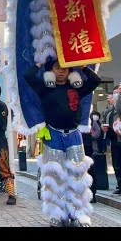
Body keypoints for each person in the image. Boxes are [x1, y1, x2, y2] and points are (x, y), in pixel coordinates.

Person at [23, 58, 101, 226]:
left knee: (78, 175)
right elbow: (28, 76)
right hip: (53, 135)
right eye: (57, 68)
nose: (61, 71)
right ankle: (57, 215)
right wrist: (39, 63)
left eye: (64, 68)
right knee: (55, 177)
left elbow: (95, 81)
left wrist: (84, 68)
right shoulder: (45, 88)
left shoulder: (77, 88)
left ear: (69, 71)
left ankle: (79, 214)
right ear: (51, 71)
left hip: (74, 135)